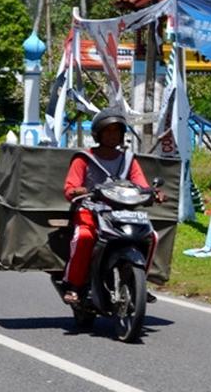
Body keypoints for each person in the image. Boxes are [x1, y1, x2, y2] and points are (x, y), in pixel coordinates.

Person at [61, 107, 162, 305]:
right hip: (91, 210)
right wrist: (78, 190)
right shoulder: (83, 158)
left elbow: (141, 184)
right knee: (84, 236)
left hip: (122, 212)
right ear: (97, 134)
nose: (112, 135)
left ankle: (140, 282)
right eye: (107, 131)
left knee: (151, 236)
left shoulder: (128, 159)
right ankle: (74, 285)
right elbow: (70, 188)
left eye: (117, 131)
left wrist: (153, 192)